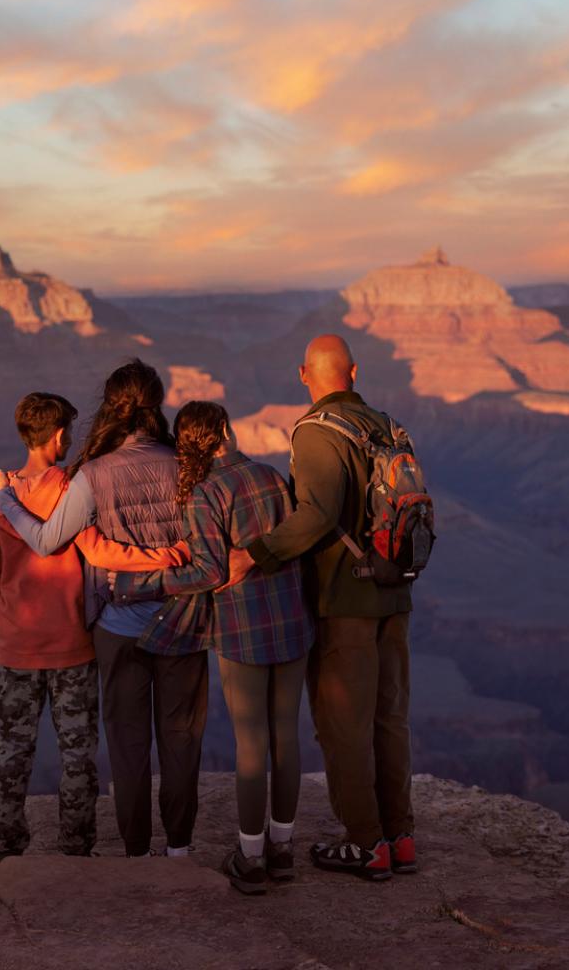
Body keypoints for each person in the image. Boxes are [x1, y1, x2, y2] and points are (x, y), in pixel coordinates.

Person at [0, 360, 207, 859]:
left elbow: (43, 544)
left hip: (116, 627)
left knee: (126, 742)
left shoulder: (89, 476)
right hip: (182, 622)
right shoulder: (184, 467)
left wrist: (2, 497)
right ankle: (178, 847)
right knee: (179, 737)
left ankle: (135, 850)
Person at [111, 401, 313, 895]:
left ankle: (251, 858)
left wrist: (137, 585)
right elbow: (295, 544)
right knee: (286, 736)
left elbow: (208, 572)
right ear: (224, 430)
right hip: (291, 621)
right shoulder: (270, 476)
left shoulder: (205, 494)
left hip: (242, 630)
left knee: (252, 743)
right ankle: (283, 850)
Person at [237, 334, 416, 882]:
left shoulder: (317, 431)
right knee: (389, 720)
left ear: (303, 374)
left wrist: (255, 555)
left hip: (345, 602)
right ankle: (400, 837)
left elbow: (316, 515)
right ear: (354, 372)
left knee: (344, 727)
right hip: (394, 593)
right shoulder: (386, 426)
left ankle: (365, 844)